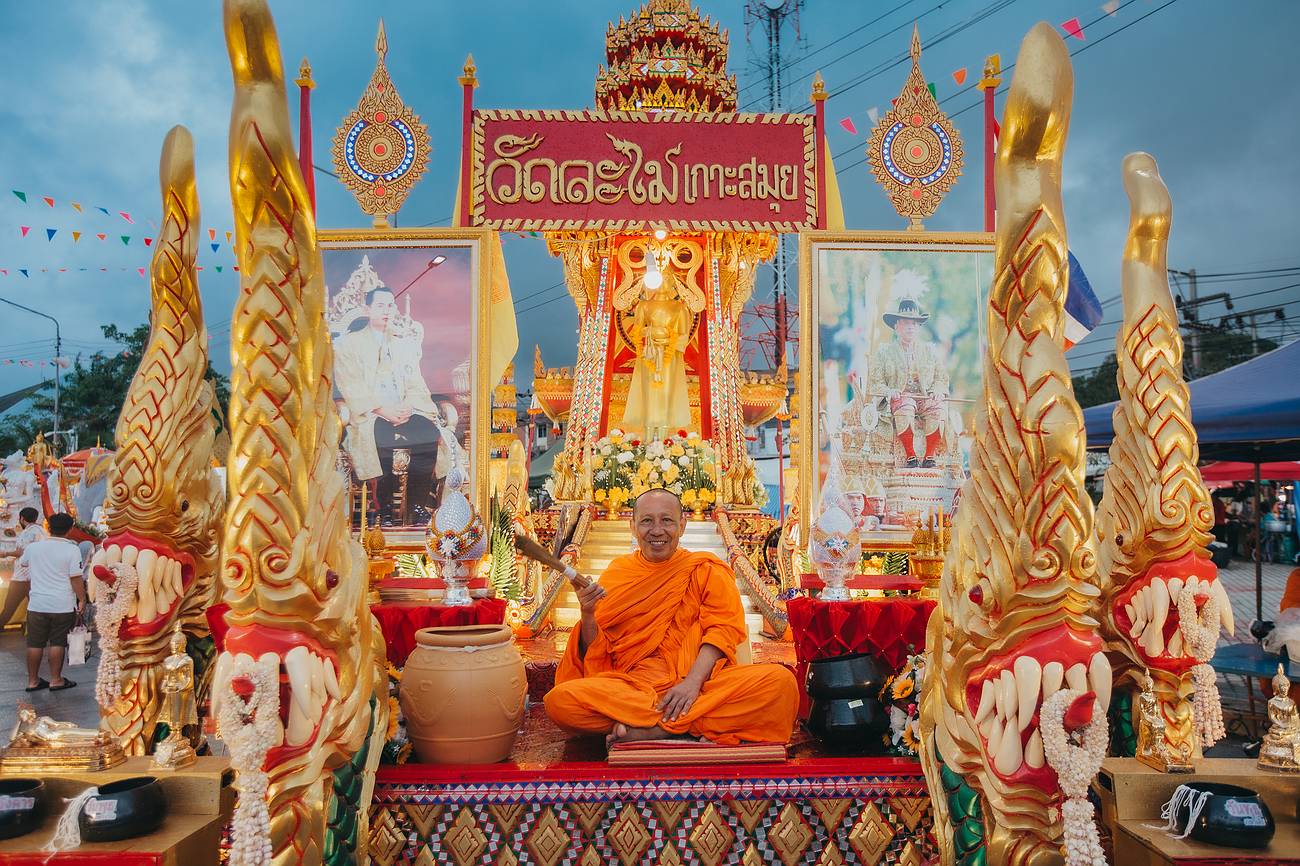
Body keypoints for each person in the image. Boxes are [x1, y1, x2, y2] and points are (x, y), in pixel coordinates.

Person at [544, 488, 799, 746]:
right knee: (560, 702)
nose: (657, 530)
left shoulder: (706, 569)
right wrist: (587, 615)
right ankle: (680, 725)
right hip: (632, 688)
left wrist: (691, 685)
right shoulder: (618, 574)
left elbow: (722, 631)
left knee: (780, 683)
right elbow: (598, 653)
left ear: (682, 525)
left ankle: (655, 728)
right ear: (633, 526)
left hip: (701, 684)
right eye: (647, 521)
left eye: (666, 520)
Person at [334, 286, 447, 524]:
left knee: (428, 432)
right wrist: (383, 410)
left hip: (405, 410)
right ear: (368, 309)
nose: (386, 311)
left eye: (390, 305)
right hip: (371, 415)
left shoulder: (402, 344)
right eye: (380, 306)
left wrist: (407, 406)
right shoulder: (348, 345)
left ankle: (417, 505)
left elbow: (416, 383)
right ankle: (383, 507)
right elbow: (350, 384)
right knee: (380, 436)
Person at [0, 512, 86, 692]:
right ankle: (56, 680)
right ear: (70, 530)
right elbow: (75, 578)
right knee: (57, 642)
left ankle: (32, 681)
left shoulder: (34, 548)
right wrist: (82, 599)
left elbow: (23, 563)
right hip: (62, 604)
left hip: (37, 604)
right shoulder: (72, 549)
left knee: (34, 644)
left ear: (48, 527)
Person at [867, 298, 951, 469]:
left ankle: (929, 456)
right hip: (900, 399)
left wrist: (937, 390)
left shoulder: (930, 351)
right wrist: (889, 391)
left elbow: (941, 378)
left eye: (914, 323)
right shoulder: (884, 352)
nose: (910, 327)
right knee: (905, 404)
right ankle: (911, 455)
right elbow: (875, 383)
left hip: (924, 397)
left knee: (938, 406)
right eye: (906, 323)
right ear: (897, 326)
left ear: (919, 327)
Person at [3, 508, 47, 582]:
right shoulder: (42, 531)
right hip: (37, 574)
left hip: (23, 575)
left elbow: (22, 552)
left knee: (13, 593)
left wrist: (5, 553)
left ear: (22, 518)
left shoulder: (28, 532)